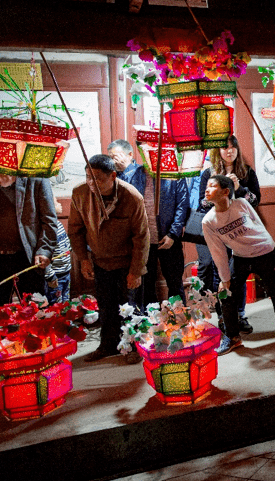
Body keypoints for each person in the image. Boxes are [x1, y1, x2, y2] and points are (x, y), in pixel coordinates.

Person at [68, 155, 149, 363]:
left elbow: (141, 237)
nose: (91, 183)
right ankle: (107, 345)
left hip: (127, 263)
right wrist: (84, 259)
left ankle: (133, 346)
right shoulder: (80, 194)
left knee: (130, 308)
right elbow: (75, 230)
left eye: (97, 179)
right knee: (106, 307)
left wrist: (136, 271)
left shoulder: (131, 197)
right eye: (88, 177)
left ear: (113, 176)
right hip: (100, 261)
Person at [202, 174, 275, 355]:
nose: (206, 190)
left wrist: (263, 244)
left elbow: (257, 225)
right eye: (207, 186)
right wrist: (224, 278)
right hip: (240, 257)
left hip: (264, 251)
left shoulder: (242, 204)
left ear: (225, 192)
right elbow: (218, 251)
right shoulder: (208, 221)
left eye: (212, 186)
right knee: (225, 294)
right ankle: (233, 337)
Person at [108, 139, 189, 308]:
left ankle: (181, 321)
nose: (151, 154)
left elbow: (182, 205)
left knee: (174, 282)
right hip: (142, 242)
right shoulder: (134, 174)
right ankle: (149, 323)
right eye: (146, 150)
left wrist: (173, 234)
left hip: (169, 239)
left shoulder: (174, 174)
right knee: (145, 285)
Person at [196, 135, 260, 334]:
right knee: (219, 272)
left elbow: (255, 201)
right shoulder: (209, 174)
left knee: (239, 271)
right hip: (218, 230)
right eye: (224, 148)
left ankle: (240, 314)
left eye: (233, 147)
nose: (229, 151)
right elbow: (203, 203)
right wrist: (218, 190)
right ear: (218, 151)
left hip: (241, 229)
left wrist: (240, 188)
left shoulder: (246, 172)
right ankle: (224, 316)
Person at [0, 173, 59, 310]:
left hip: (28, 258)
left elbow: (49, 221)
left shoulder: (36, 179)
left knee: (35, 313)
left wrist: (44, 250)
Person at [45, 197, 72, 304]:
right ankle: (59, 320)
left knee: (66, 300)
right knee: (56, 304)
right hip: (56, 276)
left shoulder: (59, 224)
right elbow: (44, 257)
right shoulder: (47, 229)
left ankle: (67, 320)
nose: (60, 204)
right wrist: (50, 275)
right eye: (56, 202)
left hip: (66, 272)